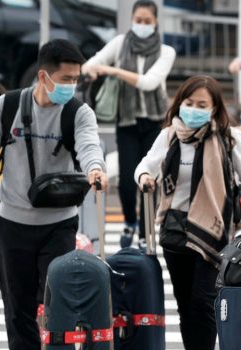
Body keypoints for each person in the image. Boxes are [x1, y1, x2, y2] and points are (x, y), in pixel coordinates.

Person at [135, 75, 241, 350]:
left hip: (214, 233)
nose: (193, 110)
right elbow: (144, 166)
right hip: (175, 233)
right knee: (185, 304)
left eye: (202, 105)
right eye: (189, 103)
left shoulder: (230, 137)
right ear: (179, 104)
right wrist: (146, 176)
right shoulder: (169, 135)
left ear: (215, 108)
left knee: (203, 302)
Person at [0, 40, 108, 350]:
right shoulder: (8, 107)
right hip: (11, 222)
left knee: (58, 305)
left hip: (59, 222)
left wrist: (95, 169)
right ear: (43, 76)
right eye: (65, 78)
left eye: (76, 79)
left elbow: (89, 145)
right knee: (17, 308)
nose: (71, 86)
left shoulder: (77, 112)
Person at [82, 0, 175, 248]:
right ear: (132, 19)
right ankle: (129, 222)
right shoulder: (121, 43)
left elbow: (149, 82)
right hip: (127, 120)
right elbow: (90, 65)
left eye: (147, 21)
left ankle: (146, 233)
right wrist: (93, 70)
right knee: (125, 181)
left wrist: (112, 71)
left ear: (155, 23)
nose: (142, 25)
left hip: (155, 122)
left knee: (149, 178)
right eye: (139, 20)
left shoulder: (166, 51)